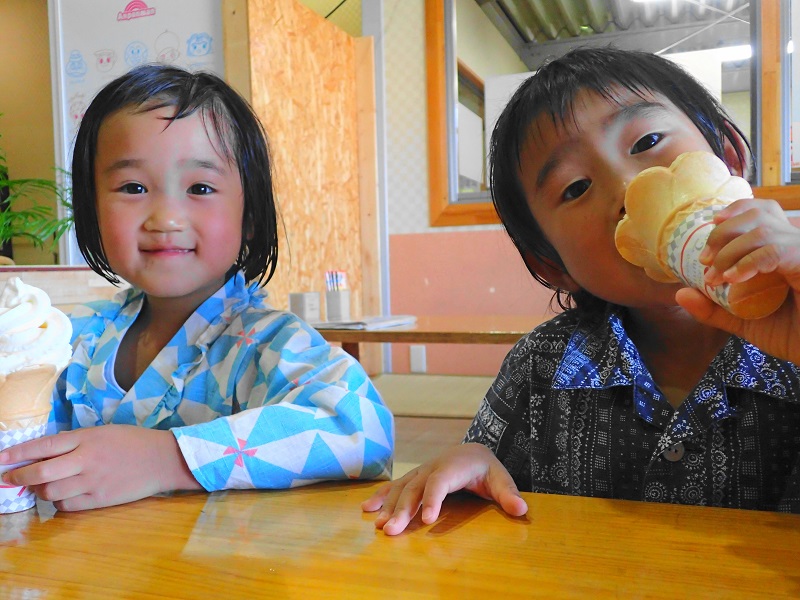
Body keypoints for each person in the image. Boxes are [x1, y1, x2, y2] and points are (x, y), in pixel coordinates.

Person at [363, 46, 800, 535]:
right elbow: (490, 481)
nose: (629, 188)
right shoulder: (543, 364)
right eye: (575, 187)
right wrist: (475, 463)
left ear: (729, 158)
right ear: (552, 265)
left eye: (648, 140)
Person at [0, 64, 394, 511]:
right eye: (133, 187)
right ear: (92, 211)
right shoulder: (72, 336)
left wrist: (166, 459)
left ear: (249, 217)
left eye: (201, 187)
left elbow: (363, 429)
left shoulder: (267, 343)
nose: (165, 218)